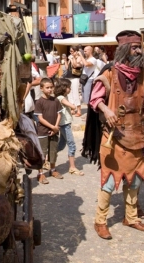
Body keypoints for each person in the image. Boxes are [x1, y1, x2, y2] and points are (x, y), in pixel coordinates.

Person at [82, 30, 144, 240]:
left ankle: (131, 217)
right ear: (125, 49)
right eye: (135, 47)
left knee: (135, 181)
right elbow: (94, 98)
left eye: (139, 46)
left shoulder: (142, 73)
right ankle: (100, 221)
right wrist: (106, 109)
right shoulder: (110, 72)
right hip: (115, 137)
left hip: (138, 135)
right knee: (108, 182)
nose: (139, 50)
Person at [34, 77, 63, 184]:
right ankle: (40, 173)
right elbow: (40, 118)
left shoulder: (55, 100)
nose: (50, 90)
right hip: (42, 131)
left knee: (53, 151)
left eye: (51, 87)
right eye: (47, 88)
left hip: (54, 130)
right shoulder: (39, 102)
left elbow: (59, 114)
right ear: (41, 88)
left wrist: (56, 127)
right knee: (42, 152)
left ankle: (53, 169)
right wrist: (52, 127)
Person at [55, 78, 84, 176]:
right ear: (63, 88)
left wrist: (71, 111)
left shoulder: (63, 97)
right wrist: (75, 106)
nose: (70, 89)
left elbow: (66, 109)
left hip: (65, 123)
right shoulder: (61, 98)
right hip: (64, 125)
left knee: (61, 145)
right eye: (69, 88)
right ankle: (72, 167)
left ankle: (47, 159)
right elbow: (71, 106)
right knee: (72, 145)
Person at [65, 46, 83, 117]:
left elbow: (75, 65)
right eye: (70, 51)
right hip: (69, 76)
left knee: (75, 93)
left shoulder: (78, 58)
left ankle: (79, 110)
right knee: (69, 93)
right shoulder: (70, 57)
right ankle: (72, 108)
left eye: (72, 51)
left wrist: (72, 58)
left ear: (76, 51)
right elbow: (67, 67)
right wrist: (66, 60)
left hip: (75, 77)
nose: (71, 53)